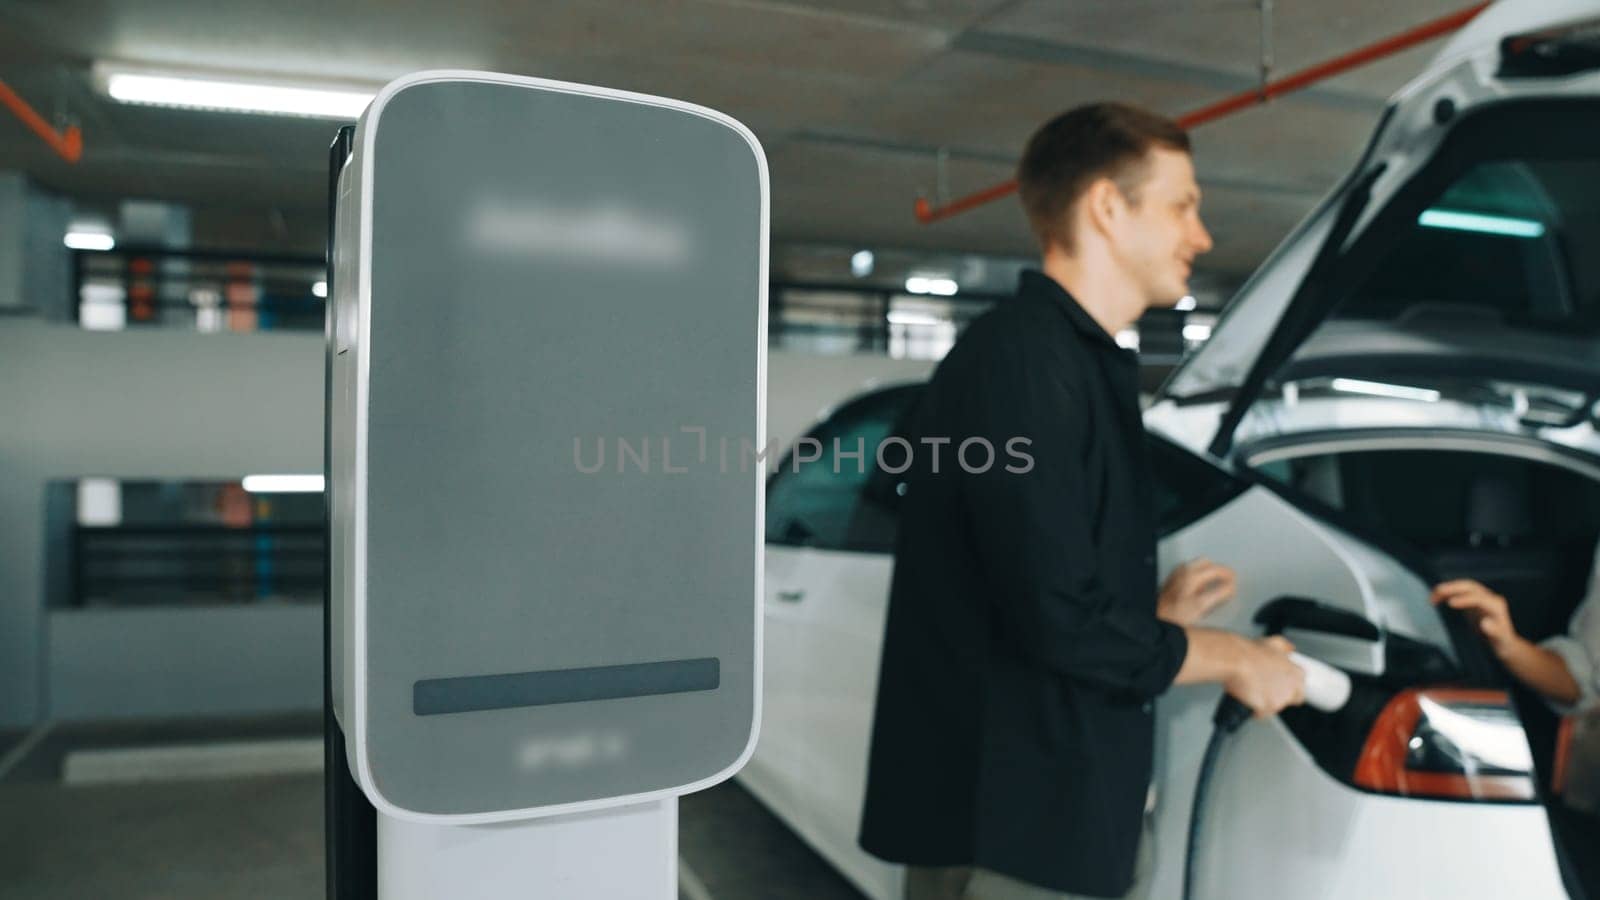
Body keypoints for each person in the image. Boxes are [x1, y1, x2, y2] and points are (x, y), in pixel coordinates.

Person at [856, 103, 1306, 900]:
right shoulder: (1025, 368)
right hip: (1012, 836)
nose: (1201, 236)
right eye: (1182, 206)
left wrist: (1154, 625)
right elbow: (1057, 616)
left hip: (1048, 817)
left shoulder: (1070, 365)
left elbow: (1035, 585)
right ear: (1107, 206)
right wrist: (1234, 656)